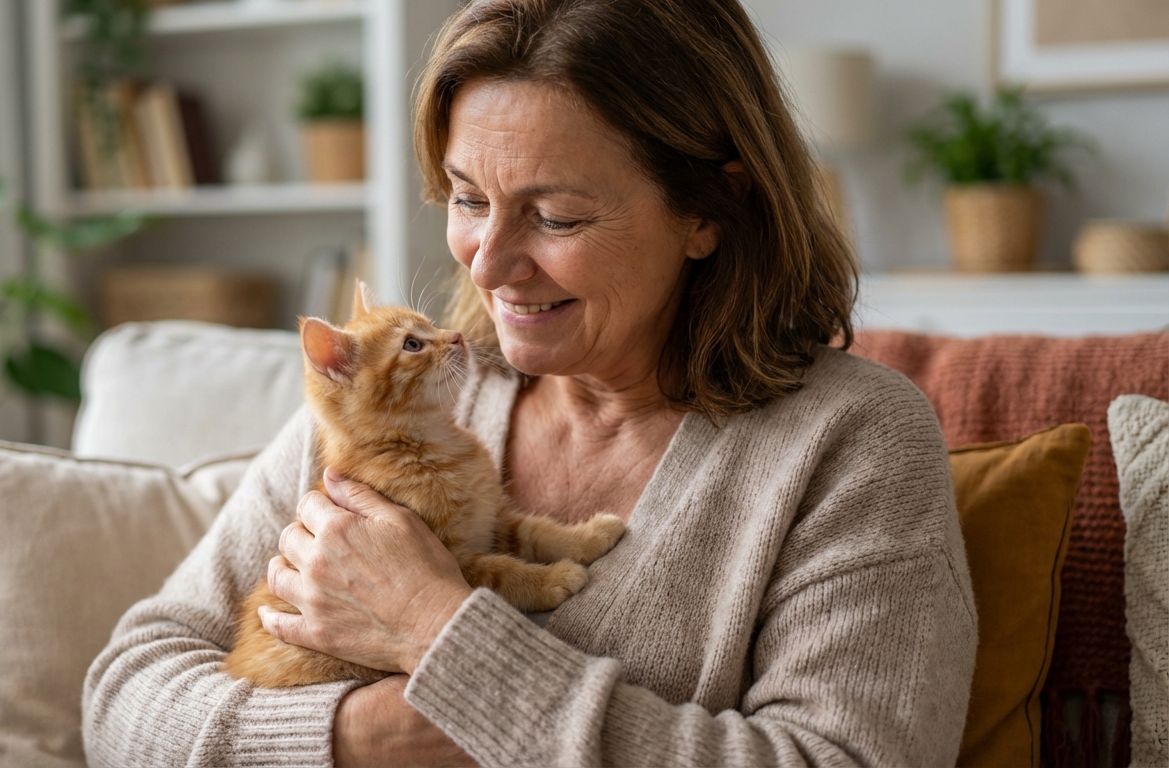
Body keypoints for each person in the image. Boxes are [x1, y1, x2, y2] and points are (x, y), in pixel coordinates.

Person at [82, 0, 978, 765]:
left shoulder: (853, 440)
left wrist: (437, 632)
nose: (490, 264)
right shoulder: (399, 407)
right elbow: (124, 697)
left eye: (555, 215)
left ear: (710, 209)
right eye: (469, 200)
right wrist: (367, 736)